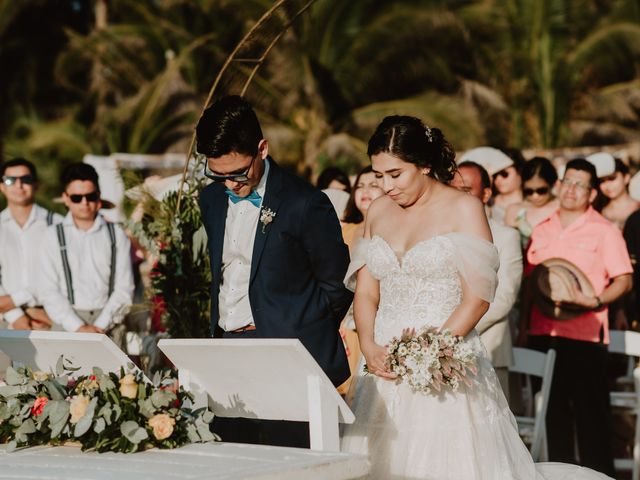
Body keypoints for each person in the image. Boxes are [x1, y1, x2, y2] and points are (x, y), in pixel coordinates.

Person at [341, 115, 612, 480]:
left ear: (423, 165)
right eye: (379, 176)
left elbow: (478, 297)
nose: (386, 186)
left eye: (395, 174)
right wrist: (370, 344)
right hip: (381, 364)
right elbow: (368, 290)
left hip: (442, 362)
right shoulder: (377, 211)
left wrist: (431, 351)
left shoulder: (463, 208)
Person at [196, 95, 352, 448]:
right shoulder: (211, 199)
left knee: (293, 460)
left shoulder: (305, 202)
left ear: (262, 149)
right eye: (217, 175)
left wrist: (297, 326)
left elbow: (337, 284)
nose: (230, 184)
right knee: (233, 458)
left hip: (289, 354)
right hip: (226, 349)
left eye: (237, 173)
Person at [521, 158, 632, 476]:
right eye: (567, 181)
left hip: (585, 337)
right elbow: (530, 282)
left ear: (592, 193)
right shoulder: (542, 229)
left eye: (580, 184)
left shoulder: (604, 231)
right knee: (552, 418)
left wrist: (595, 299)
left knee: (592, 421)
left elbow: (624, 279)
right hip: (543, 334)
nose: (571, 190)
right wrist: (524, 330)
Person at [450, 161, 522, 400]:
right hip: (438, 345)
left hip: (488, 345)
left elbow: (505, 296)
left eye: (466, 189)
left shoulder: (506, 236)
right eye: (454, 188)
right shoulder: (441, 234)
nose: (459, 195)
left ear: (487, 193)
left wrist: (454, 330)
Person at [38, 163, 134, 340]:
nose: (84, 202)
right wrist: (78, 326)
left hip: (109, 325)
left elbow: (124, 288)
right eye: (76, 197)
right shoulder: (52, 235)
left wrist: (100, 326)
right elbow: (48, 290)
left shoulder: (116, 234)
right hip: (66, 325)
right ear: (65, 198)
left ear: (98, 197)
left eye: (90, 196)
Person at [0, 158, 62, 330]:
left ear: (36, 184)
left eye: (26, 179)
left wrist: (17, 300)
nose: (19, 185)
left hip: (51, 318)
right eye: (10, 180)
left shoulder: (57, 224)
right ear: (2, 186)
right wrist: (17, 316)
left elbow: (64, 273)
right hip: (7, 320)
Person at [504, 156, 560, 249]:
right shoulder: (513, 210)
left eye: (541, 190)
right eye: (529, 191)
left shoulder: (561, 208)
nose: (535, 196)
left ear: (552, 185)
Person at [341, 165, 384, 251]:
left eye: (373, 185)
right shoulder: (345, 230)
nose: (365, 190)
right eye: (360, 186)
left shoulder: (395, 227)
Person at [598, 157, 639, 230]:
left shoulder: (638, 207)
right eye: (602, 181)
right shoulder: (598, 212)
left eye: (612, 178)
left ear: (626, 177)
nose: (607, 185)